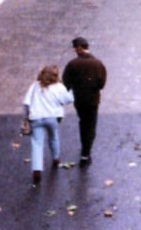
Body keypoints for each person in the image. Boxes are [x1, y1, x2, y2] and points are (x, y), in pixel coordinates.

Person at [22, 65, 73, 186]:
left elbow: (26, 102)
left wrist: (26, 117)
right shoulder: (59, 87)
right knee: (53, 137)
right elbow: (68, 99)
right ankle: (56, 158)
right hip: (52, 117)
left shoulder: (35, 85)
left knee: (37, 144)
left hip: (36, 118)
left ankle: (37, 169)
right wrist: (72, 91)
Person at [62, 36, 108, 167]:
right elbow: (102, 84)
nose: (75, 51)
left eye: (75, 48)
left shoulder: (72, 64)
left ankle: (84, 149)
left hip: (79, 99)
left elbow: (66, 83)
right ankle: (86, 151)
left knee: (83, 122)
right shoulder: (98, 64)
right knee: (91, 124)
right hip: (93, 100)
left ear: (80, 48)